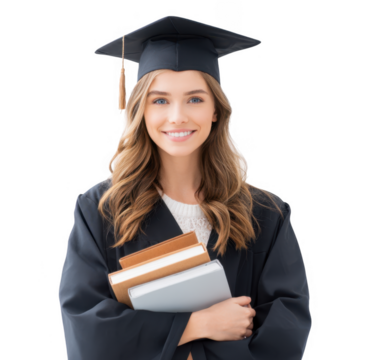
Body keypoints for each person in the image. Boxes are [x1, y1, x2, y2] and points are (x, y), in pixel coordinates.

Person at [58, 15, 311, 360]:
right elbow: (86, 332)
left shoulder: (265, 214)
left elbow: (286, 329)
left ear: (216, 111)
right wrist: (197, 325)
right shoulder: (101, 209)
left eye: (195, 99)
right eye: (160, 100)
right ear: (141, 111)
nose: (177, 116)